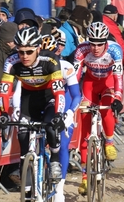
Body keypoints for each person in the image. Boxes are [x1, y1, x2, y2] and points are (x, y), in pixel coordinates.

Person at [0, 26, 66, 180]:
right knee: (22, 133)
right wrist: (3, 113)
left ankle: (54, 160)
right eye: (21, 51)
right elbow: (5, 91)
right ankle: (24, 165)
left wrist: (59, 114)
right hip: (28, 99)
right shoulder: (12, 61)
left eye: (29, 52)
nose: (24, 56)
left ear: (38, 49)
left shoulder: (51, 60)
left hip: (49, 98)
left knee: (51, 128)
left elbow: (59, 91)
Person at [73, 22, 123, 195]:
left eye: (99, 43)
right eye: (92, 42)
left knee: (107, 108)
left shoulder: (115, 50)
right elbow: (75, 76)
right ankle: (85, 178)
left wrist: (118, 97)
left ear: (106, 42)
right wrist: (73, 98)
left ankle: (109, 142)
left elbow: (118, 77)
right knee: (85, 131)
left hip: (108, 84)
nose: (95, 47)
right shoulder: (82, 50)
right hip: (90, 85)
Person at [40, 34, 81, 201]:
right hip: (44, 102)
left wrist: (70, 113)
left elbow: (76, 95)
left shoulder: (65, 66)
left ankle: (59, 190)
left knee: (63, 145)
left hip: (65, 101)